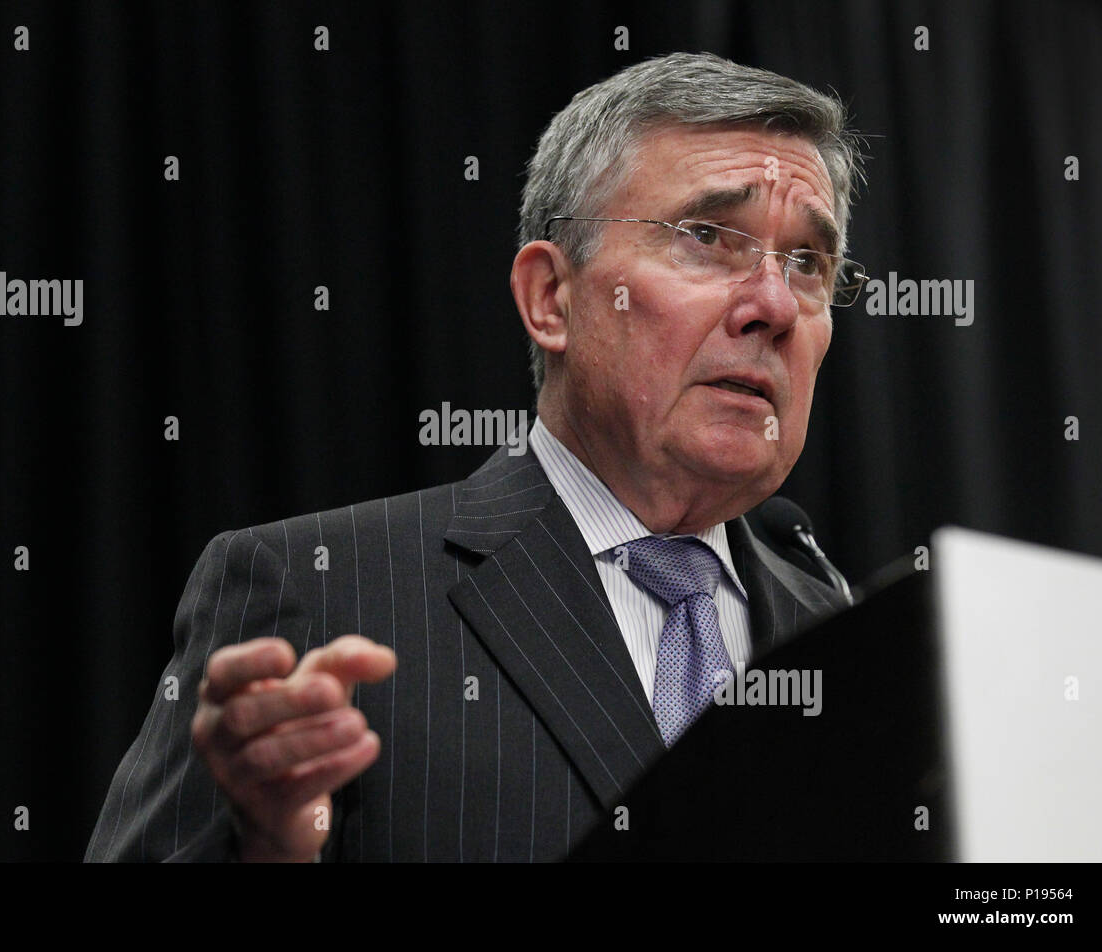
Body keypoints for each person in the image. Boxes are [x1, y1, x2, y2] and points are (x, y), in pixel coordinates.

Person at [85, 51, 866, 863]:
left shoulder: (843, 633)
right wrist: (270, 847)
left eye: (808, 262)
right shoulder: (320, 592)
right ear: (551, 299)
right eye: (707, 237)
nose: (774, 304)